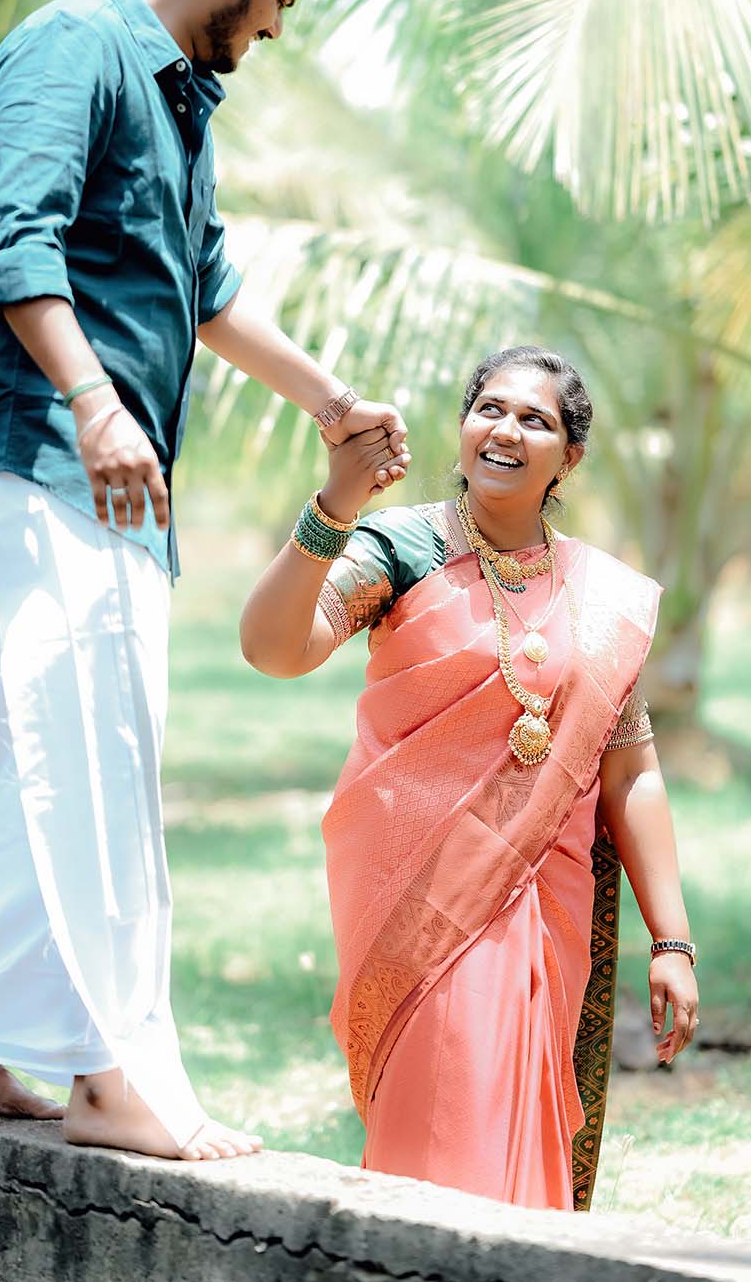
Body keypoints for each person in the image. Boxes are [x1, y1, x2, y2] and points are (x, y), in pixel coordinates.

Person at [0, 0, 411, 1164]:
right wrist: (89, 398)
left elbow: (211, 288)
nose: (277, 30)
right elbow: (13, 235)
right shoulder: (72, 48)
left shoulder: (181, 99)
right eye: (280, 4)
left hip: (106, 471)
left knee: (49, 742)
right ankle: (109, 1071)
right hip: (36, 444)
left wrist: (329, 401)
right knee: (90, 756)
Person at [240, 346, 699, 1207]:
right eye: (489, 408)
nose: (507, 429)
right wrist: (334, 504)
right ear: (462, 427)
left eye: (537, 420)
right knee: (442, 1110)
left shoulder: (600, 597)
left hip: (544, 903)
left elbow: (630, 768)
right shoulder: (402, 546)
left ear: (571, 457)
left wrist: (671, 940)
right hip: (419, 893)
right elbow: (275, 649)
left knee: (516, 1119)